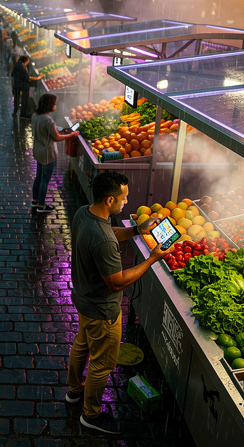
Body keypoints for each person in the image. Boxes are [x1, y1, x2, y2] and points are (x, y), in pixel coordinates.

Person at [66, 171, 166, 435]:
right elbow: (117, 282)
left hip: (84, 300)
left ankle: (74, 391)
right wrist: (152, 259)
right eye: (124, 198)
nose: (127, 202)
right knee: (102, 365)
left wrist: (136, 230)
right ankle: (91, 415)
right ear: (110, 200)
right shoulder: (103, 240)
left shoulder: (84, 214)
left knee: (82, 345)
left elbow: (109, 232)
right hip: (103, 312)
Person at [31, 94, 79, 213]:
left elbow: (46, 130)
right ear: (49, 105)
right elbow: (56, 137)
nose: (55, 106)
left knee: (38, 177)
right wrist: (71, 135)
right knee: (44, 180)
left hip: (38, 150)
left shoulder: (35, 115)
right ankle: (41, 206)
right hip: (48, 153)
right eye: (54, 104)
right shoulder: (48, 120)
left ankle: (35, 201)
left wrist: (56, 129)